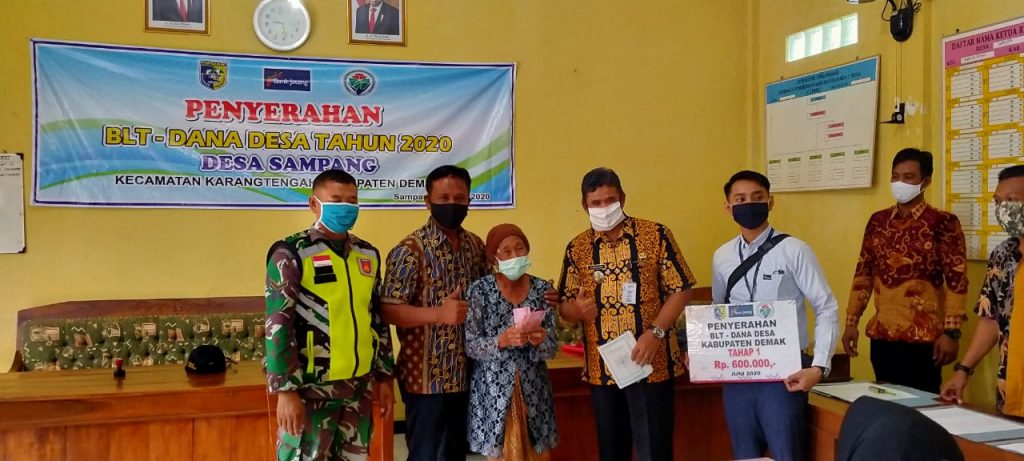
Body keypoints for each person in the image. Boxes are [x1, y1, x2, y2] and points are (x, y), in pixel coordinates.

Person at [381, 165, 560, 461]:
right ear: (427, 201)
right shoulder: (410, 250)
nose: (452, 204)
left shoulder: (475, 246)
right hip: (427, 375)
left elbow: (499, 288)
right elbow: (388, 309)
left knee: (456, 454)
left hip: (470, 374)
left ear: (469, 201)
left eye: (459, 198)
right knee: (427, 453)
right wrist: (437, 314)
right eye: (443, 198)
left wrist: (545, 294)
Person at [557, 167, 695, 461]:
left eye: (610, 200)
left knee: (654, 451)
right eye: (596, 203)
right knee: (611, 451)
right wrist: (576, 310)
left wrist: (655, 333)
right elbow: (565, 306)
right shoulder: (577, 248)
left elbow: (681, 289)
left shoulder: (655, 235)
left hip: (653, 363)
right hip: (603, 369)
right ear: (585, 205)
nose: (604, 208)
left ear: (622, 198)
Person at [265, 169, 395, 461]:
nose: (345, 207)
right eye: (336, 200)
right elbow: (278, 324)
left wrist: (385, 377)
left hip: (358, 388)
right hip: (310, 390)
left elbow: (377, 319)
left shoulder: (367, 254)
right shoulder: (292, 253)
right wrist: (286, 391)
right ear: (314, 204)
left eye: (352, 201)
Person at [711, 170, 838, 461]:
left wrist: (819, 366)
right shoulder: (722, 256)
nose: (749, 204)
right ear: (728, 208)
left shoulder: (795, 250)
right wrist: (703, 353)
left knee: (787, 454)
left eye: (757, 197)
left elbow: (826, 306)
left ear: (770, 202)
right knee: (745, 456)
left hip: (785, 374)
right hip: (738, 373)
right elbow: (719, 311)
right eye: (740, 199)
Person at [842, 148, 968, 393]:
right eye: (895, 176)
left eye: (909, 177)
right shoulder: (878, 221)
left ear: (926, 181)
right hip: (882, 336)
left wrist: (952, 333)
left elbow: (957, 279)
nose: (900, 183)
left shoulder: (942, 222)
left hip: (925, 340)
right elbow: (863, 272)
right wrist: (851, 322)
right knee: (886, 401)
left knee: (920, 406)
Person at [466, 224, 559, 460]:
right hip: (494, 392)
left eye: (520, 248)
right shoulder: (480, 291)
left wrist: (541, 340)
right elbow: (471, 344)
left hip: (534, 389)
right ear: (494, 258)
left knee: (537, 453)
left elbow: (552, 347)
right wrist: (501, 340)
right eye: (506, 251)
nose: (515, 255)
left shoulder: (542, 290)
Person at [941, 165, 1024, 417]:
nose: (1003, 209)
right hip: (1010, 392)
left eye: (1012, 200)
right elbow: (991, 318)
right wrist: (963, 370)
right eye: (998, 201)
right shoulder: (1003, 255)